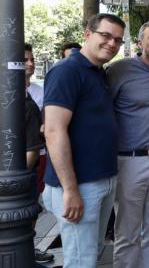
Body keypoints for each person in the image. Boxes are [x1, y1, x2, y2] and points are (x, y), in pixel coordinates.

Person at [42, 13, 125, 268]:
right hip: (79, 185)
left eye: (118, 40)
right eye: (106, 35)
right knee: (81, 261)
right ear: (87, 34)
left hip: (102, 180)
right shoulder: (67, 71)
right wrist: (70, 190)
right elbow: (54, 131)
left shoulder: (98, 72)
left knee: (91, 253)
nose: (112, 43)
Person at [106, 20, 149, 268]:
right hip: (128, 160)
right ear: (140, 42)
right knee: (127, 230)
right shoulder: (118, 71)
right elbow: (103, 114)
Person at [25, 43, 55, 264]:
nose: (30, 63)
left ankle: (29, 246)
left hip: (39, 154)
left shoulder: (39, 91)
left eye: (32, 59)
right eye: (25, 59)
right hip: (11, 161)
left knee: (33, 204)